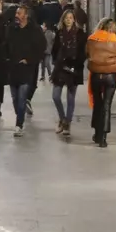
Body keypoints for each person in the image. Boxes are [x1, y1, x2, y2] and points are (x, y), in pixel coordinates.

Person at [3, 5, 46, 137]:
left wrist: (29, 59)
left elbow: (41, 47)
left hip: (27, 69)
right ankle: (20, 115)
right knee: (15, 99)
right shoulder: (11, 29)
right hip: (13, 68)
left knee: (22, 98)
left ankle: (19, 125)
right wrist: (6, 58)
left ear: (26, 15)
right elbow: (6, 45)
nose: (16, 15)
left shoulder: (35, 30)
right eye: (16, 13)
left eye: (19, 13)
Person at [48, 9, 87, 138]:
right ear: (63, 20)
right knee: (56, 96)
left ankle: (67, 123)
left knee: (70, 98)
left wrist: (76, 64)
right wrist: (56, 61)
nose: (68, 20)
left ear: (74, 19)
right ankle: (62, 118)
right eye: (66, 18)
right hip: (60, 68)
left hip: (74, 69)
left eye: (70, 18)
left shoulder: (81, 34)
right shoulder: (59, 33)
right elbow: (54, 50)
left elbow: (83, 52)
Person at [86, 18, 116, 147]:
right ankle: (104, 138)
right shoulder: (115, 40)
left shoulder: (92, 38)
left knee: (98, 103)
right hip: (110, 75)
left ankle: (97, 133)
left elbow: (87, 53)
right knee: (107, 105)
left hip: (96, 74)